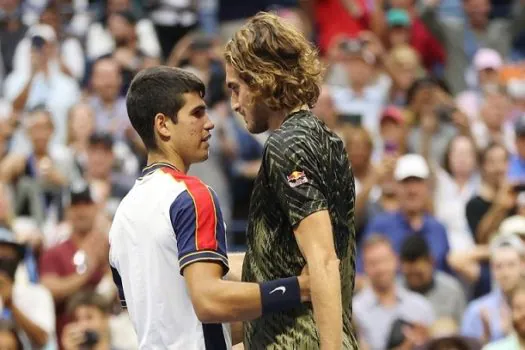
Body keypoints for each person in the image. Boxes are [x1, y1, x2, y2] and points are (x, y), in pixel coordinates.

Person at [108, 66, 310, 349]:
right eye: (197, 113)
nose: (210, 123)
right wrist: (298, 289)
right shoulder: (192, 194)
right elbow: (208, 302)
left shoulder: (123, 214)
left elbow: (175, 317)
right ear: (163, 125)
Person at [224, 12, 358, 349]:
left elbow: (324, 261)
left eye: (236, 89)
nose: (234, 103)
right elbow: (287, 259)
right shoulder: (326, 138)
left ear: (260, 79)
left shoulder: (287, 146)